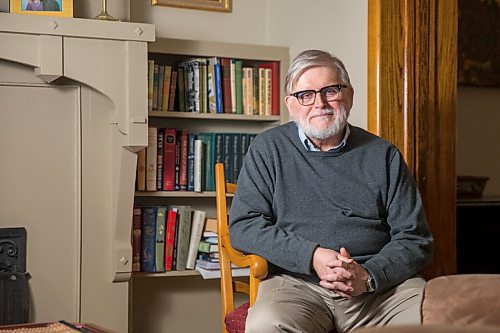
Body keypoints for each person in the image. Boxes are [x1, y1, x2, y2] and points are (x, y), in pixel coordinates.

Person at [229, 49, 434, 333]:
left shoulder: (384, 155)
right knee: (266, 325)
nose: (320, 103)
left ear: (348, 95)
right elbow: (244, 227)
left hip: (380, 291)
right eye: (306, 95)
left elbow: (416, 239)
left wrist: (368, 276)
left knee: (433, 318)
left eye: (331, 90)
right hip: (297, 284)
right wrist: (312, 256)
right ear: (291, 104)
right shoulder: (268, 148)